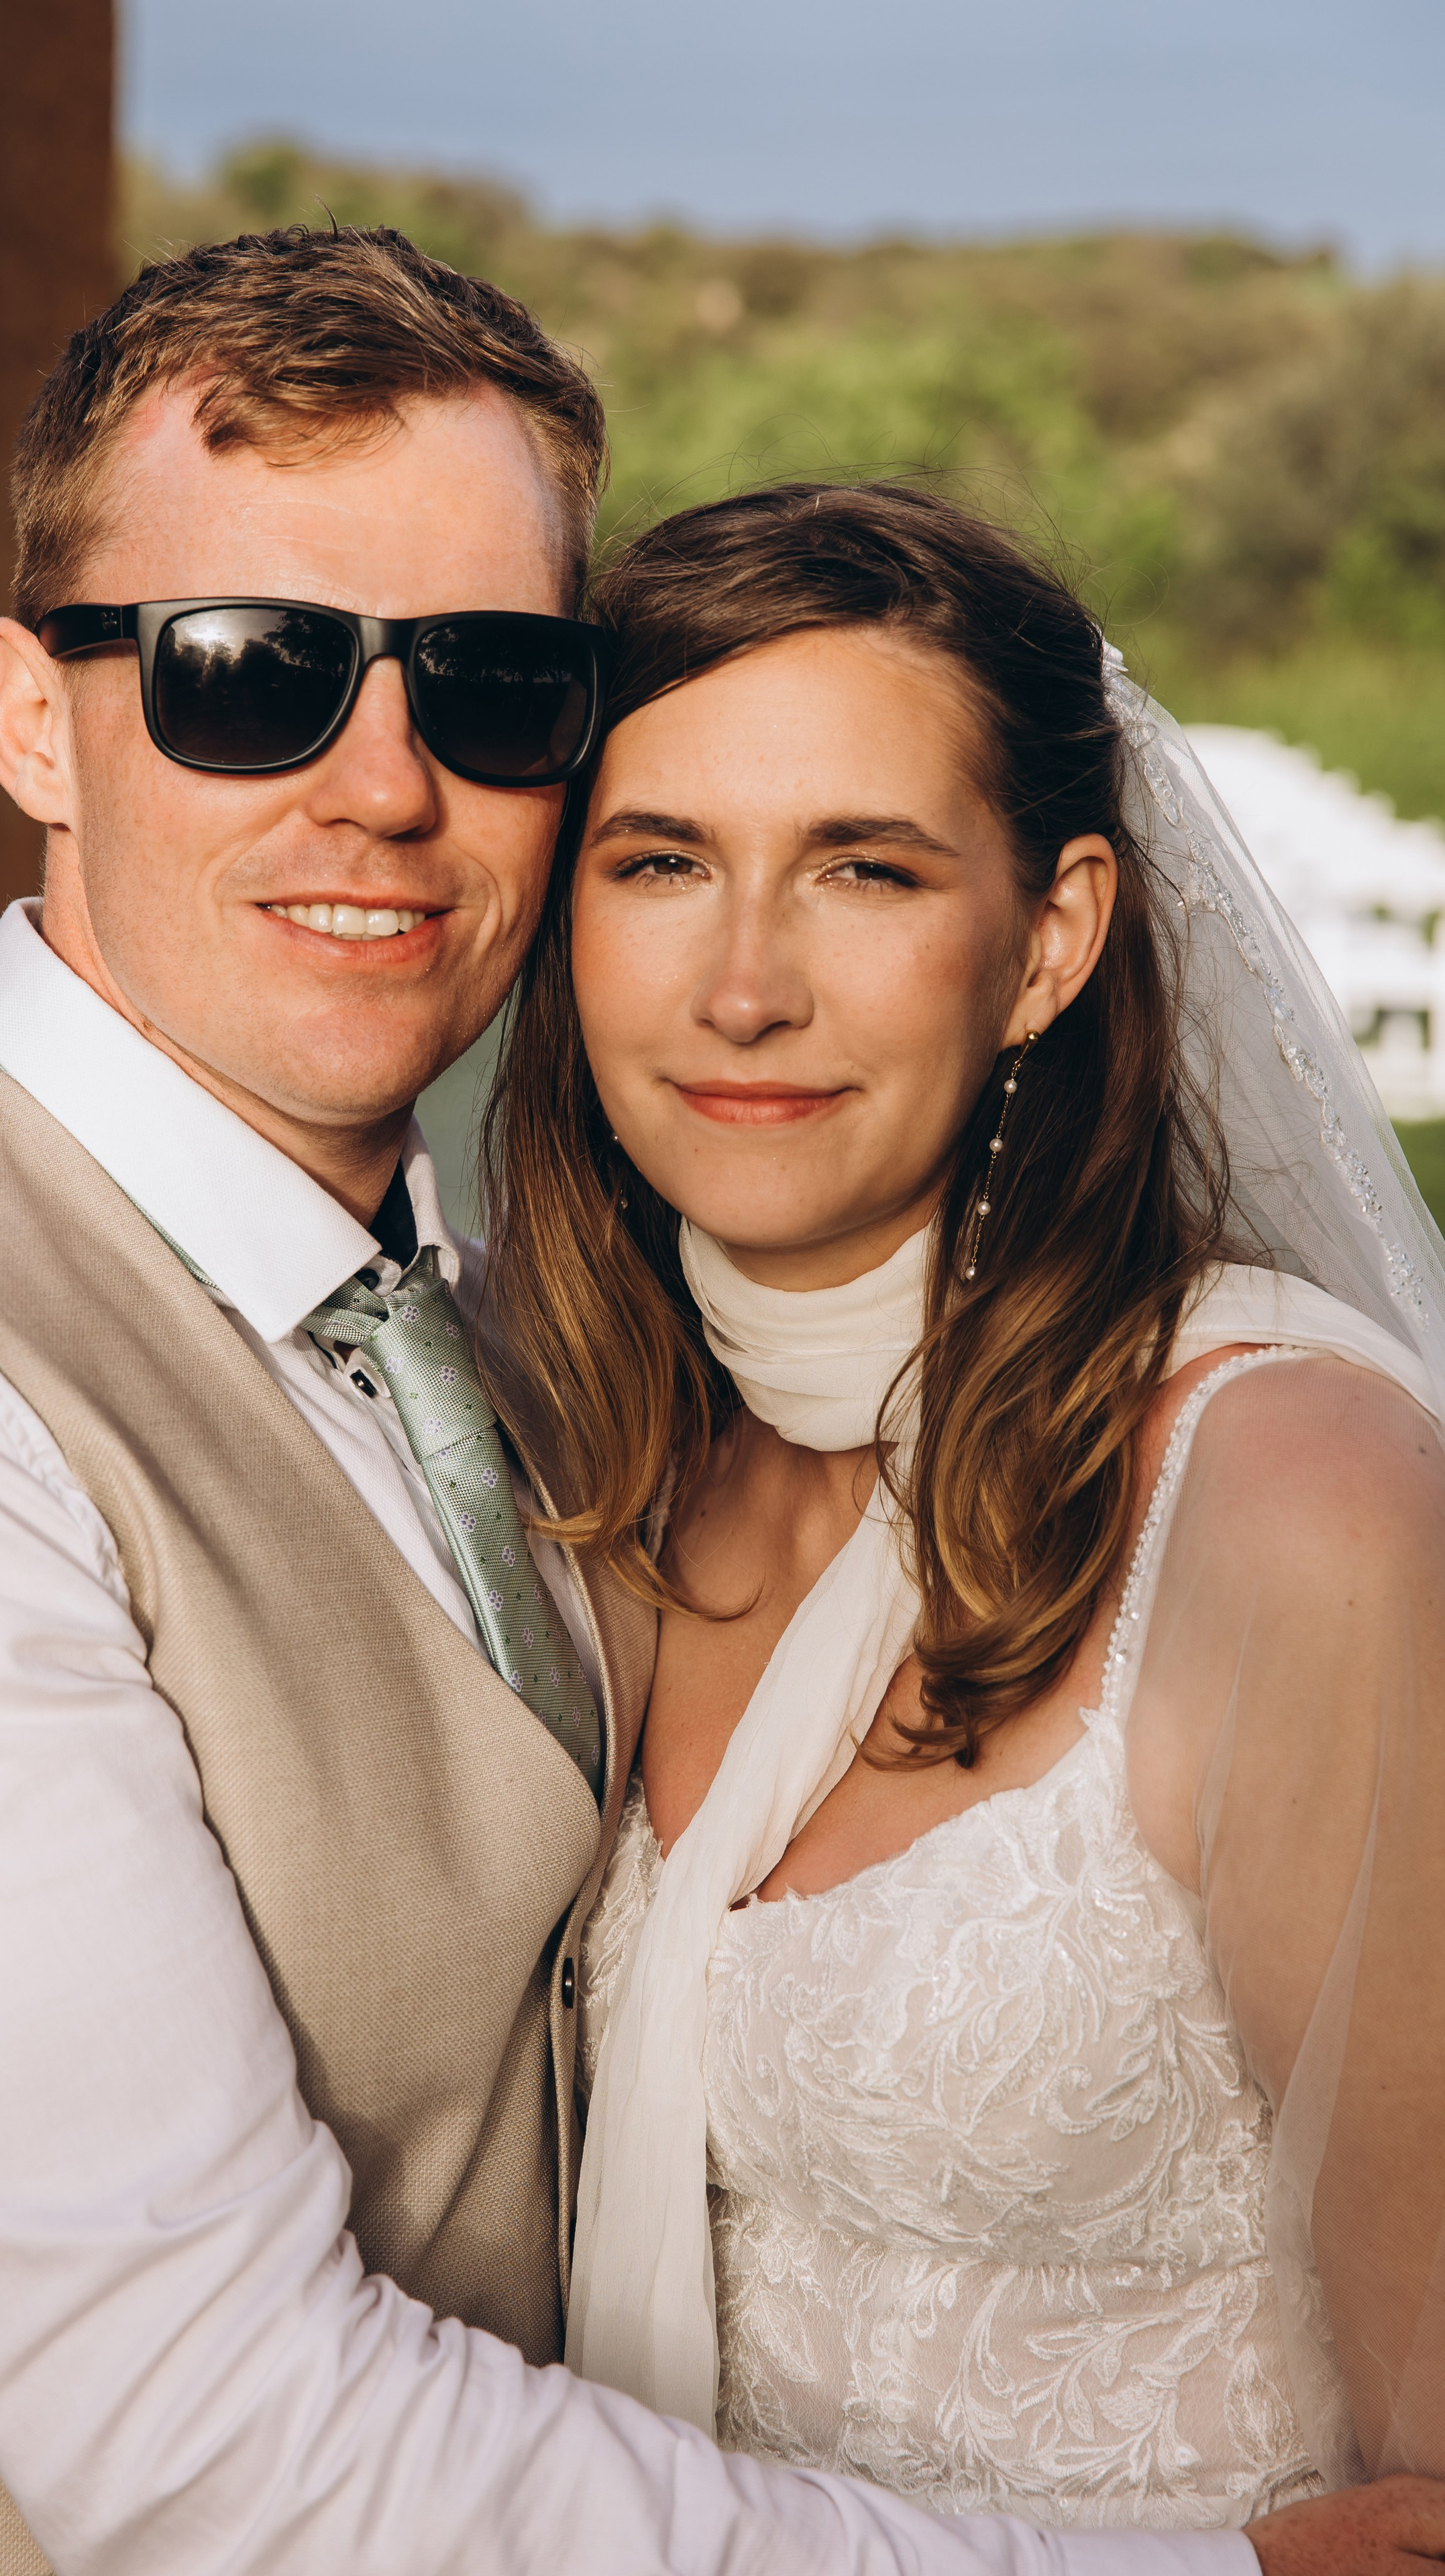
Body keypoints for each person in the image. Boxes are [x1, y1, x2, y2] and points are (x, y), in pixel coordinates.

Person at [0, 226, 1430, 2576]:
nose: (386, 787)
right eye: (248, 675)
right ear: (36, 717)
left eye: (499, 689)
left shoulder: (518, 1358)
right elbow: (231, 2450)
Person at [482, 485, 1445, 2546]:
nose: (745, 986)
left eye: (863, 867)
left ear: (1050, 940)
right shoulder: (593, 1464)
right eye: (660, 864)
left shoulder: (1292, 1504)